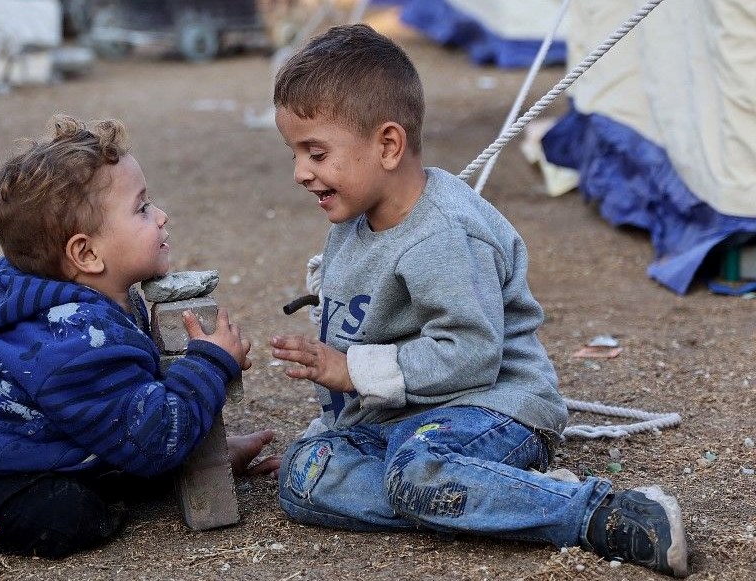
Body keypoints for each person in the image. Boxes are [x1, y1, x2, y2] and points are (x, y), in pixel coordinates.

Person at [267, 24, 688, 577]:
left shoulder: (445, 235)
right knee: (305, 475)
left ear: (388, 145)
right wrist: (337, 437)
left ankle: (599, 514)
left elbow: (470, 352)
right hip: (405, 418)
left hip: (493, 408)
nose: (300, 173)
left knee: (420, 473)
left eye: (315, 152)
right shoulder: (353, 218)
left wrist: (350, 370)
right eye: (296, 153)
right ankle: (503, 498)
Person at [0, 115, 277, 559]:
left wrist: (204, 453)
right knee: (72, 512)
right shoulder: (75, 343)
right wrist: (210, 365)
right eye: (142, 208)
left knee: (105, 455)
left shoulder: (89, 306)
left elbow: (130, 408)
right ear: (86, 253)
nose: (162, 215)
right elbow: (154, 438)